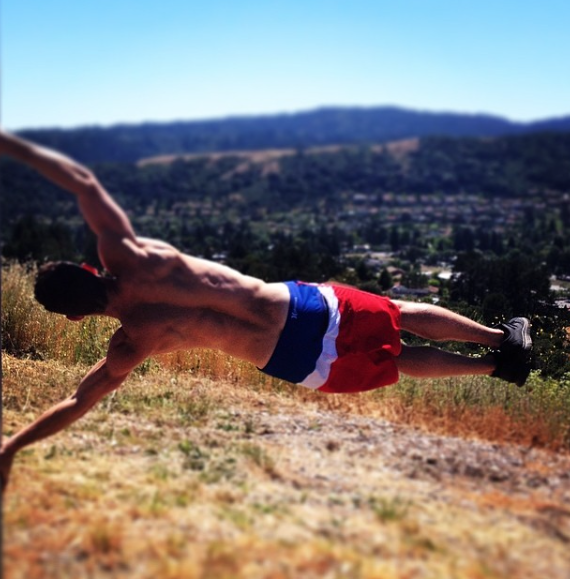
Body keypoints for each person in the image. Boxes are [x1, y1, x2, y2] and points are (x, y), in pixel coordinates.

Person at [0, 130, 532, 490]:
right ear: (88, 268)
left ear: (74, 317)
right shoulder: (130, 256)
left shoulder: (130, 342)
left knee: (396, 359)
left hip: (296, 363)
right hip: (299, 309)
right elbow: (83, 182)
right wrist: (11, 145)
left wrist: (10, 449)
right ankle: (501, 339)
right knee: (398, 314)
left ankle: (495, 367)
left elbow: (78, 401)